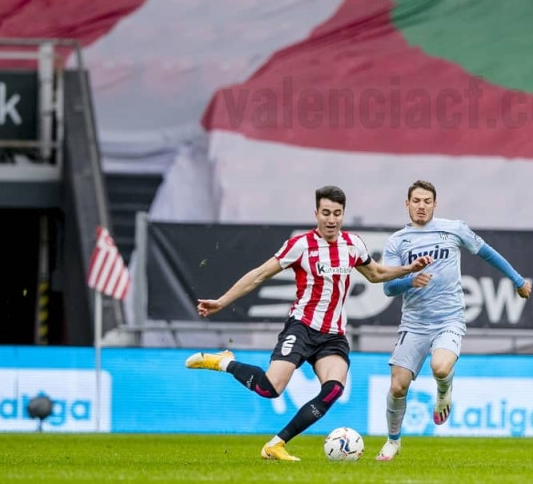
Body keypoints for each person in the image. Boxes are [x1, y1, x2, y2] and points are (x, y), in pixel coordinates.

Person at [185, 185, 431, 462]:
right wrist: (222, 301)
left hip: (333, 336)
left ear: (343, 214)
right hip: (302, 327)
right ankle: (225, 362)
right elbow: (259, 275)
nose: (331, 219)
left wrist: (408, 269)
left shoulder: (353, 244)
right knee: (269, 388)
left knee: (333, 388)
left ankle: (276, 444)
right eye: (326, 213)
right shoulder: (300, 245)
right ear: (316, 213)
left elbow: (375, 274)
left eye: (337, 213)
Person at [375, 179, 533, 461]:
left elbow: (488, 253)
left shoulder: (454, 229)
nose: (421, 206)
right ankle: (393, 441)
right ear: (407, 204)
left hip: (449, 319)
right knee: (398, 387)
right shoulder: (397, 241)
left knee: (440, 366)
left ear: (435, 204)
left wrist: (518, 280)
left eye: (427, 201)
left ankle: (444, 391)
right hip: (413, 323)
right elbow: (388, 288)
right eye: (416, 201)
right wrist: (410, 279)